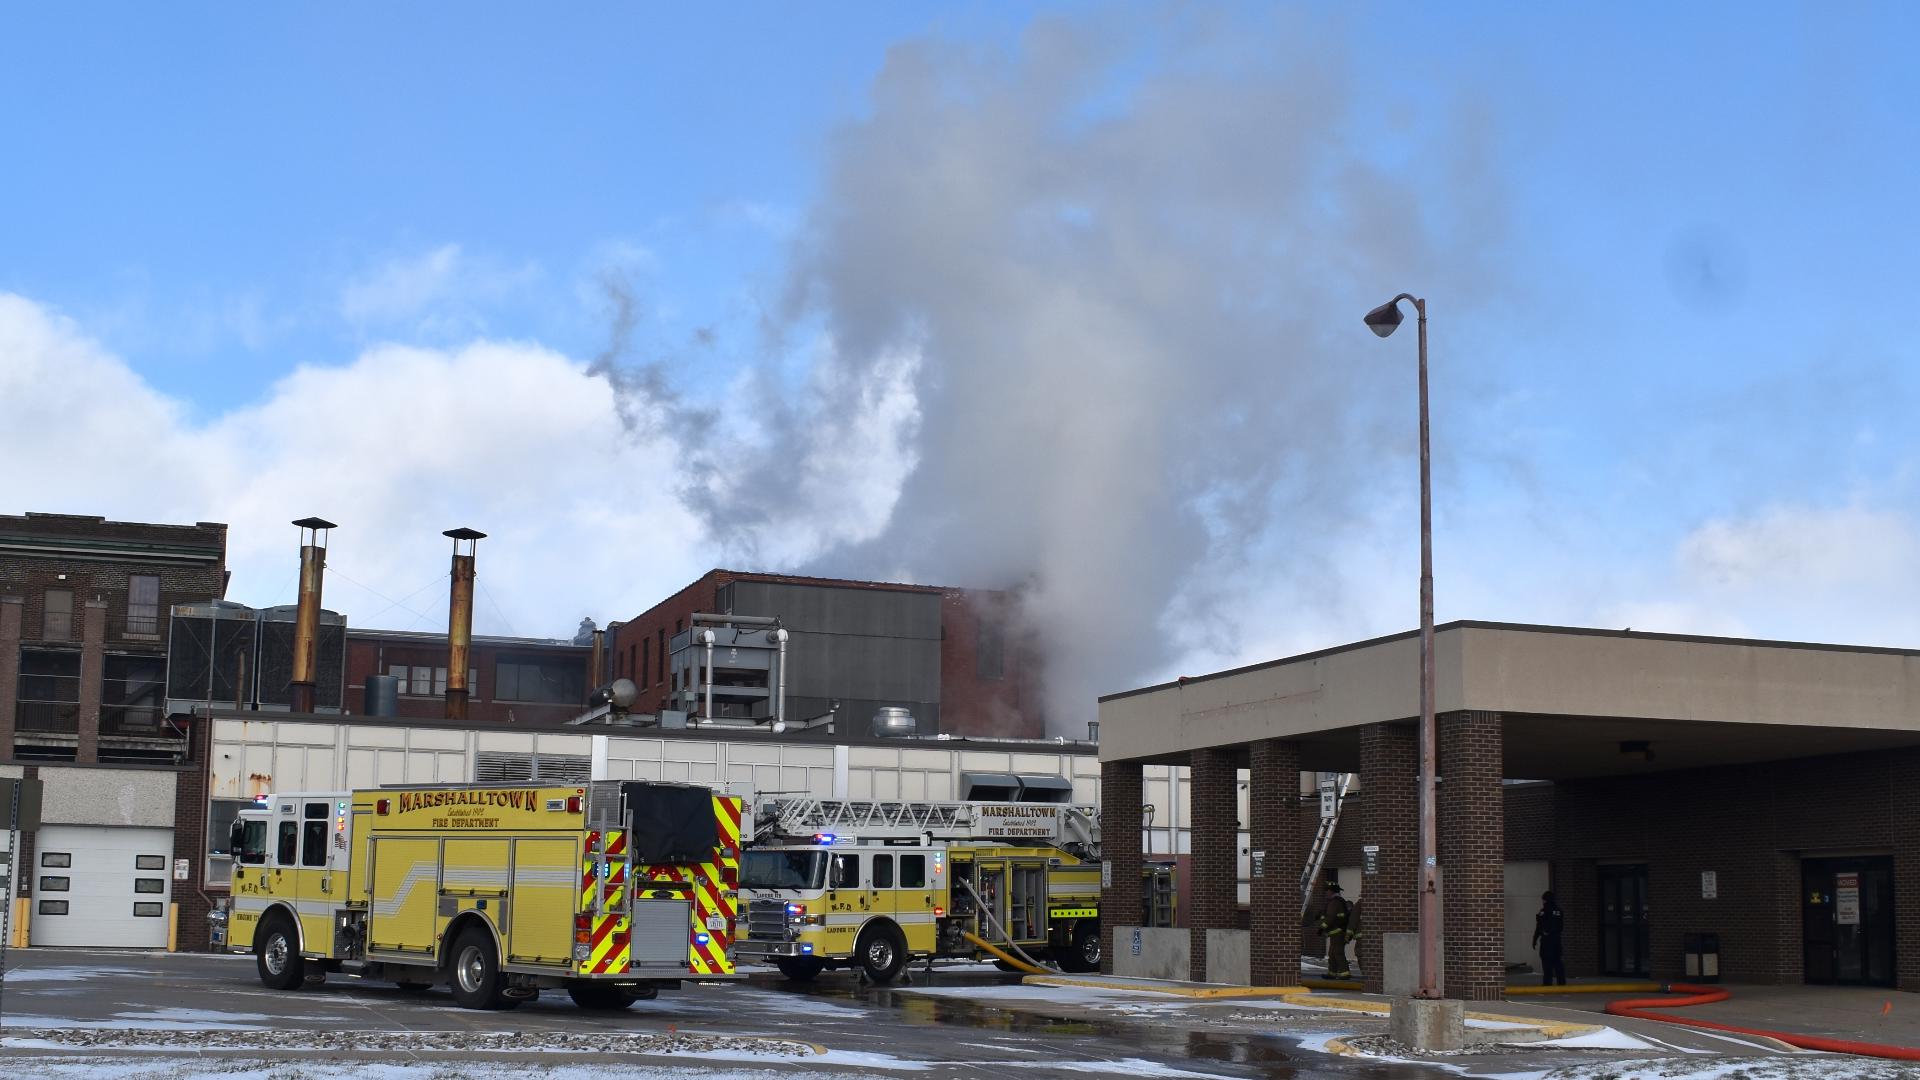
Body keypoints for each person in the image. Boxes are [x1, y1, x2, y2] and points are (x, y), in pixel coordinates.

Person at [1316, 879, 1355, 979]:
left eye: (1327, 890)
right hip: (1336, 932)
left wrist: (1321, 928)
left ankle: (1345, 974)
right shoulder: (1335, 902)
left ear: (1332, 891)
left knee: (1338, 952)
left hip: (1338, 932)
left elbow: (1331, 917)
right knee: (1332, 953)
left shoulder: (1335, 902)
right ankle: (1332, 973)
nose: (1326, 892)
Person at [1533, 890, 1566, 986]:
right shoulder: (1558, 911)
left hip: (1547, 942)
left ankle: (1547, 984)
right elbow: (1560, 927)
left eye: (1543, 900)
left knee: (1547, 964)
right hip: (1555, 941)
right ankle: (1561, 983)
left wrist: (1535, 939)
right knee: (1557, 963)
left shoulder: (1543, 912)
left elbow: (1539, 927)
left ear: (1545, 900)